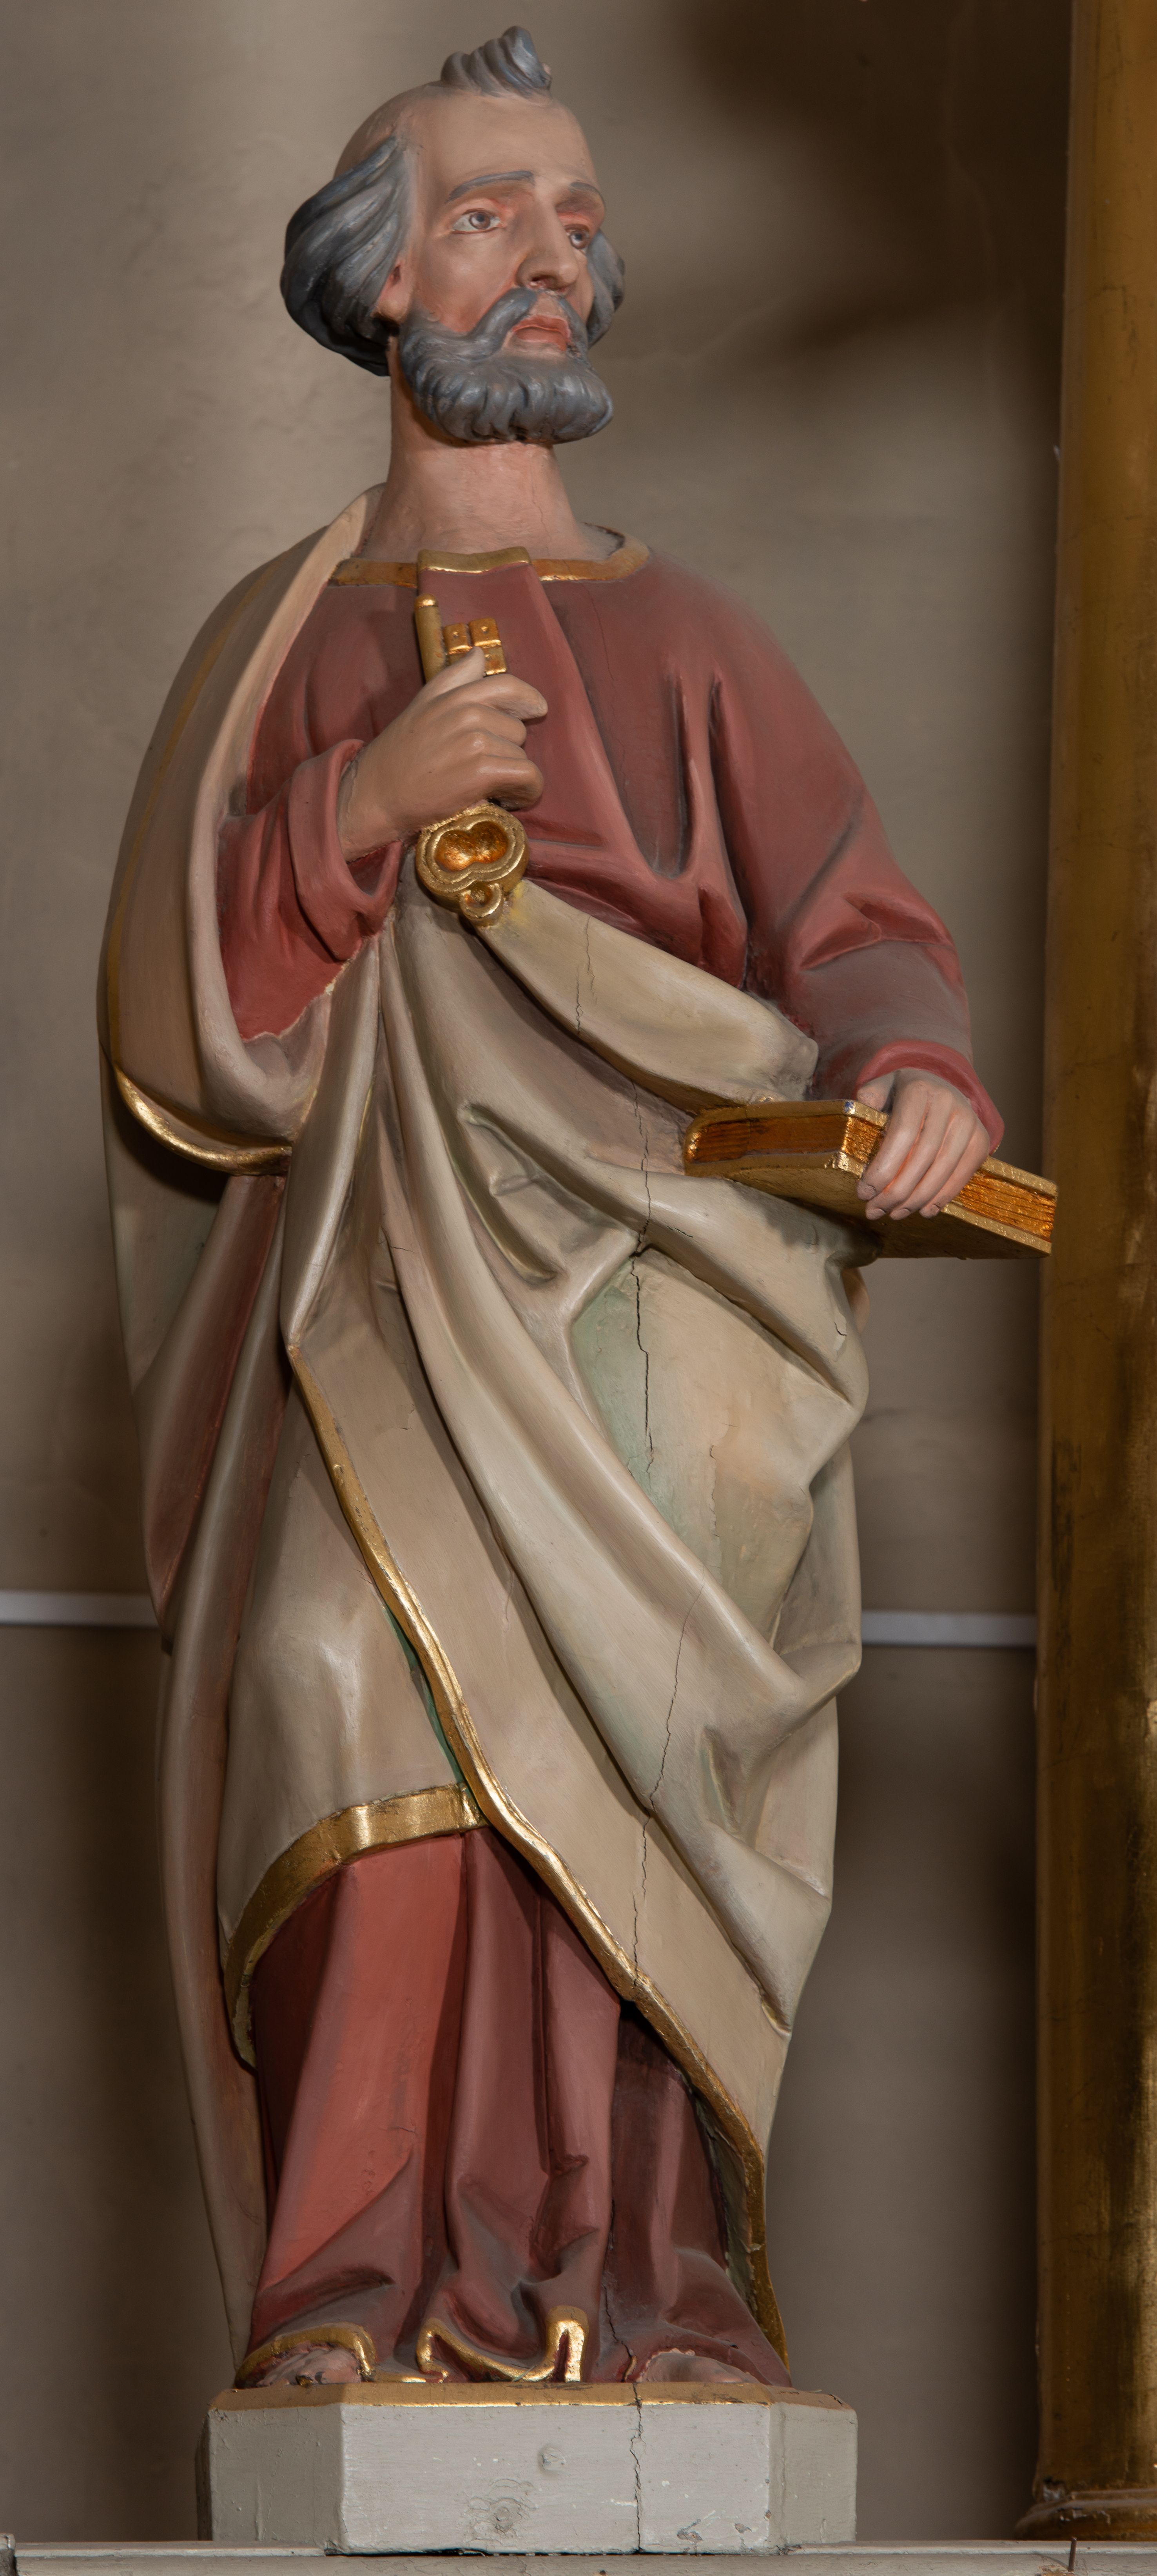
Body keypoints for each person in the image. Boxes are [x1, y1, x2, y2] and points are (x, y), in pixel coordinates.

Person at [100, 25, 997, 2393]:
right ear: (381, 281)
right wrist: (352, 807)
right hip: (379, 1303)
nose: (551, 259)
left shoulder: (694, 640)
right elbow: (183, 1044)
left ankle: (646, 2290)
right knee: (327, 1677)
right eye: (492, 214)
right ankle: (349, 2295)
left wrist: (911, 1068)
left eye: (578, 221)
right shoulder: (278, 641)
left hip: (665, 1305)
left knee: (639, 1744)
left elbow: (850, 921)